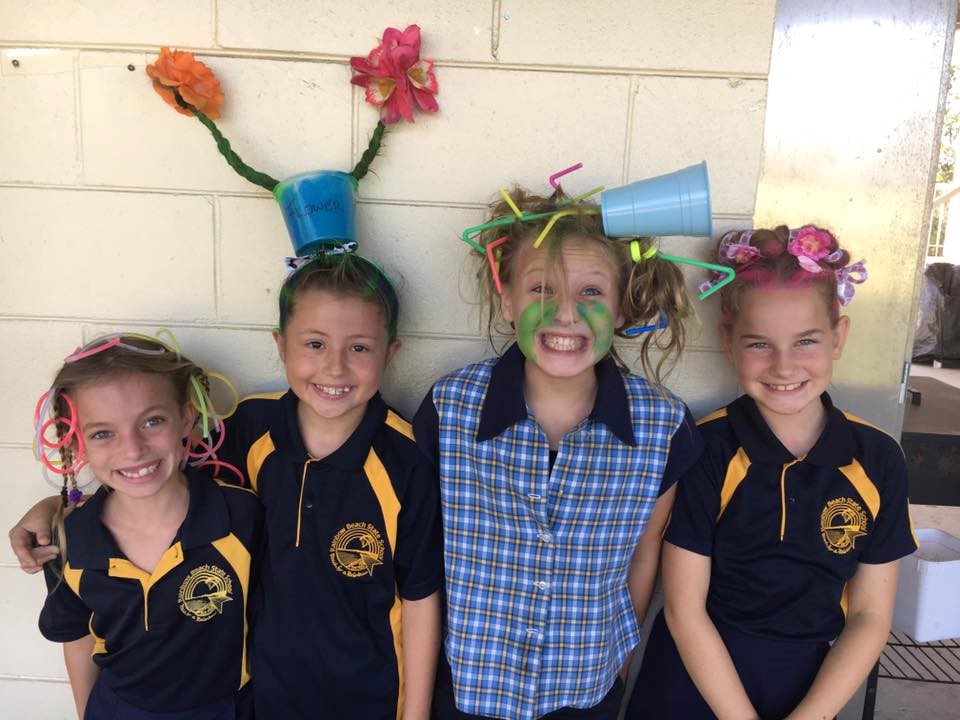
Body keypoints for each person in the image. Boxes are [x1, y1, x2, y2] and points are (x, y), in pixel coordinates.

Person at [14, 251, 444, 720]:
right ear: (281, 346)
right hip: (258, 697)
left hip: (366, 697)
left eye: (359, 347)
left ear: (391, 352)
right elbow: (146, 476)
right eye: (315, 344)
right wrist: (52, 508)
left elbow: (420, 596)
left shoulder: (406, 459)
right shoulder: (246, 429)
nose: (335, 368)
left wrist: (416, 714)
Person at [414, 186, 703, 720]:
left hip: (585, 693)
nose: (565, 313)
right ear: (507, 300)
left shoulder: (663, 428)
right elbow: (424, 557)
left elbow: (645, 555)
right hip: (467, 691)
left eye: (591, 292)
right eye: (541, 288)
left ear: (622, 307)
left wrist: (617, 667)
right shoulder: (450, 409)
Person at [627, 225, 917, 720]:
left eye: (806, 341)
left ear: (838, 336)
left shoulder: (878, 457)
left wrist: (813, 714)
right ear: (728, 342)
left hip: (809, 688)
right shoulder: (705, 446)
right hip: (693, 678)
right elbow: (683, 607)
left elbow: (869, 615)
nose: (784, 367)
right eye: (760, 344)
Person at [35, 334, 262, 719]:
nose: (133, 449)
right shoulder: (67, 540)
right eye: (103, 433)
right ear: (78, 441)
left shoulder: (240, 515)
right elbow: (76, 636)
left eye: (152, 421)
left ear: (187, 418)